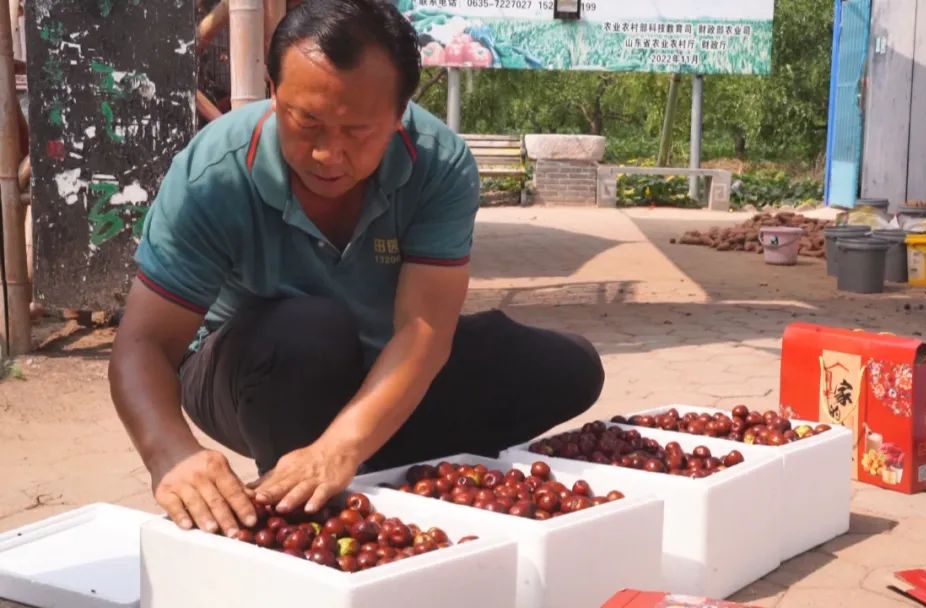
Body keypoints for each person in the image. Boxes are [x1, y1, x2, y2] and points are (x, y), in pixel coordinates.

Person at [109, 0, 604, 539]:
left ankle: (363, 459)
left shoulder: (439, 164)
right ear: (274, 93)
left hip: (378, 362)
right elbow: (143, 346)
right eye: (308, 121)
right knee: (307, 330)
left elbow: (424, 331)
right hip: (248, 371)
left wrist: (341, 446)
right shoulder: (214, 175)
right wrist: (172, 456)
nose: (328, 153)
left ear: (399, 116)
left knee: (567, 367)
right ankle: (301, 491)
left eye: (359, 131)